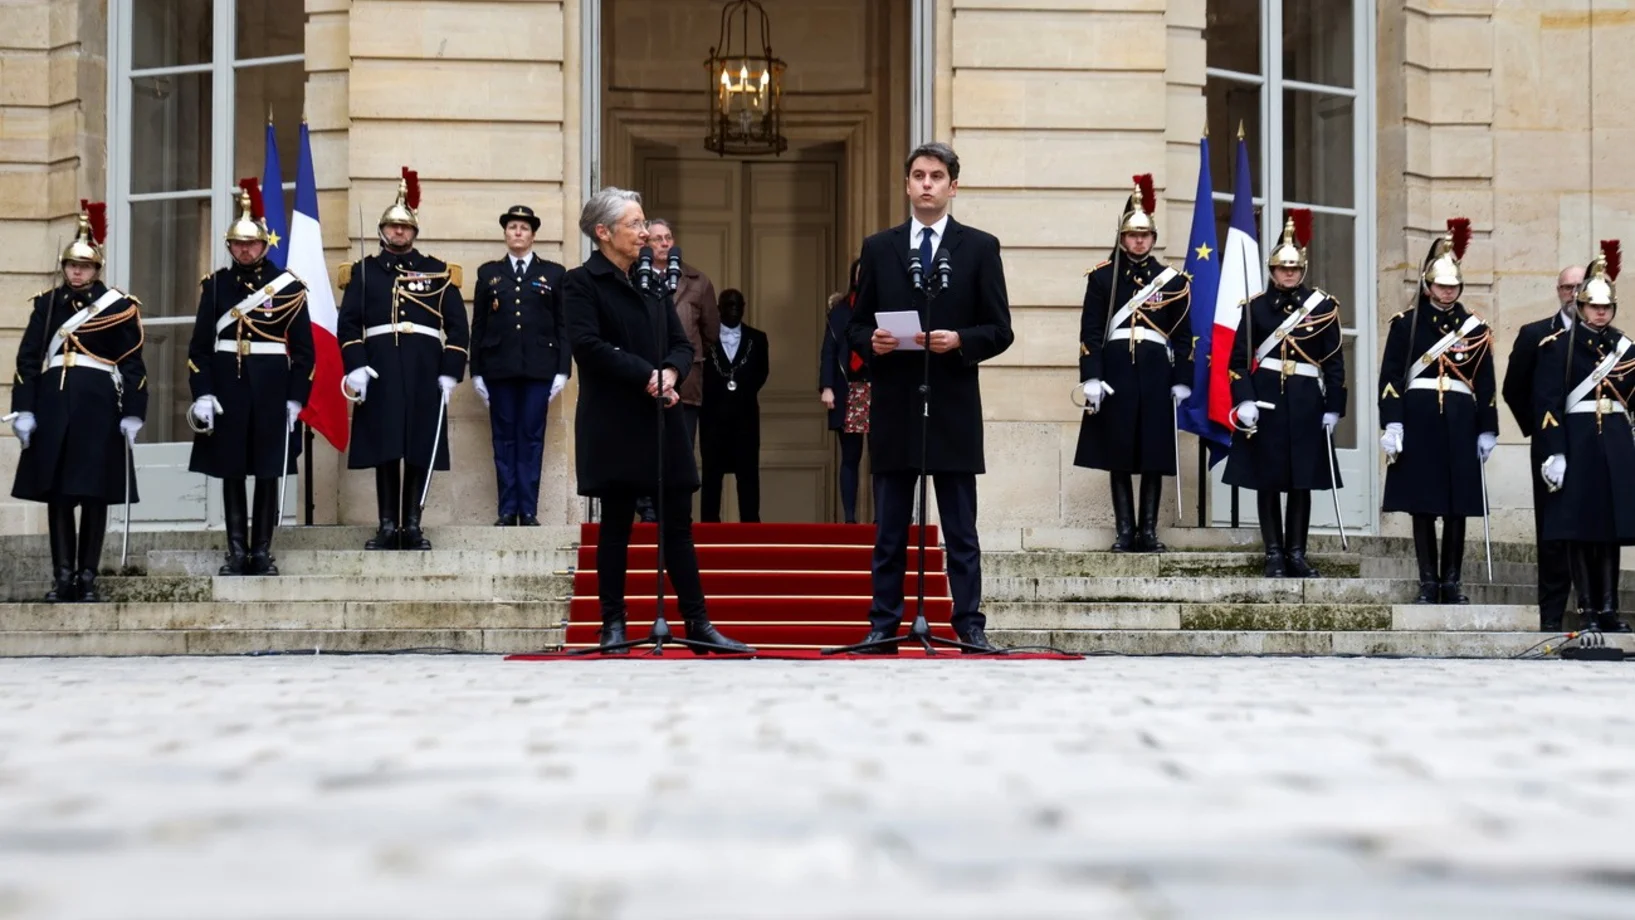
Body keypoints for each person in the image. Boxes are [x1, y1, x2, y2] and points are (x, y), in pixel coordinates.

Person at [562, 186, 749, 654]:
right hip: (614, 418)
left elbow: (683, 344)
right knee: (617, 524)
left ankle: (699, 625)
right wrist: (644, 373)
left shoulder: (652, 283)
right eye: (636, 224)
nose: (645, 232)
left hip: (662, 417)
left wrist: (670, 371)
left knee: (677, 526)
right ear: (603, 232)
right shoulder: (581, 282)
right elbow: (586, 346)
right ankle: (614, 625)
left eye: (645, 224)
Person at [846, 142, 1014, 653]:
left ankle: (969, 623)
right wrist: (869, 343)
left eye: (936, 176)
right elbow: (853, 324)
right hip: (897, 401)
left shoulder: (980, 247)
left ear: (952, 186)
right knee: (891, 527)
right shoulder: (880, 248)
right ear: (906, 184)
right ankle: (883, 624)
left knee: (961, 528)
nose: (926, 184)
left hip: (954, 404)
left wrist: (961, 340)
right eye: (917, 175)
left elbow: (1000, 329)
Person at [9, 200, 147, 602]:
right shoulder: (46, 304)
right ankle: (63, 576)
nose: (76, 271)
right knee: (59, 495)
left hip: (98, 407)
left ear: (96, 269)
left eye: (83, 266)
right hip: (54, 407)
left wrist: (133, 413)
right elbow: (29, 359)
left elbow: (133, 363)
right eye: (71, 265)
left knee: (94, 494)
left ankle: (87, 577)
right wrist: (25, 407)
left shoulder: (118, 307)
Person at [185, 179, 314, 576]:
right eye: (238, 244)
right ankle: (236, 550)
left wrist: (296, 398)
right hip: (228, 386)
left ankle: (262, 550)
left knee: (267, 470)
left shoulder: (287, 286)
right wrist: (203, 392)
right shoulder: (217, 286)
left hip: (272, 386)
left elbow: (305, 350)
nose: (245, 250)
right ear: (230, 246)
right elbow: (199, 349)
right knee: (231, 469)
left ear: (264, 245)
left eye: (252, 244)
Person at [337, 167, 469, 551]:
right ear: (382, 231)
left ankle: (411, 525)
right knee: (386, 447)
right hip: (380, 370)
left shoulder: (437, 272)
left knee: (417, 446)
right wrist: (356, 367)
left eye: (405, 228)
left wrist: (449, 372)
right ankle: (386, 525)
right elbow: (348, 326)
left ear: (414, 232)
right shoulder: (363, 272)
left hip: (424, 370)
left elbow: (458, 329)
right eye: (392, 227)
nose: (398, 233)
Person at [1378, 217, 1497, 604]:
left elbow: (1486, 382)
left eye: (1453, 287)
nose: (1447, 293)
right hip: (1421, 417)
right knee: (1423, 505)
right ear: (1428, 286)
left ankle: (1452, 580)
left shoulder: (1474, 329)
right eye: (1441, 286)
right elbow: (1392, 377)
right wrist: (1392, 422)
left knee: (1457, 507)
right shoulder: (1407, 325)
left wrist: (1487, 427)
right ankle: (1429, 581)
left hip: (1461, 420)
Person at [1222, 210, 1346, 577]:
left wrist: (1334, 407)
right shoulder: (1256, 307)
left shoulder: (1322, 308)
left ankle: (1297, 553)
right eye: (1281, 268)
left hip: (1307, 399)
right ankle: (1274, 553)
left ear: (1302, 270)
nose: (1288, 274)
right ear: (1272, 270)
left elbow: (1335, 361)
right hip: (1266, 401)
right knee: (1268, 480)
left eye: (1293, 268)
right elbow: (1238, 359)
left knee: (1301, 482)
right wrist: (1243, 398)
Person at [1073, 174, 1193, 553]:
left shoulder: (1171, 281)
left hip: (1157, 371)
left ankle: (1149, 531)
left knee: (1154, 454)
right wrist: (1092, 377)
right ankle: (1125, 531)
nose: (1138, 241)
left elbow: (1185, 335)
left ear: (1153, 239)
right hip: (1117, 371)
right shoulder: (1102, 278)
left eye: (1144, 235)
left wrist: (1182, 378)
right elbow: (1090, 332)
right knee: (1118, 452)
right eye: (1132, 235)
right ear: (1122, 237)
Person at [1533, 242, 1633, 633]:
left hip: (1615, 443)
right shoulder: (1558, 347)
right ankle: (1588, 608)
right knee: (1578, 530)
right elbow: (1547, 405)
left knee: (1610, 532)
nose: (1600, 313)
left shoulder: (1626, 350)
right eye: (1594, 307)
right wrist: (1554, 452)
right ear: (1581, 306)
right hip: (1577, 442)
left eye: (1606, 307)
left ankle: (1609, 607)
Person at [471, 204, 570, 527]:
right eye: (512, 227)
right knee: (504, 439)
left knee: (530, 438)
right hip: (499, 368)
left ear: (533, 235)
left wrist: (562, 370)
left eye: (524, 228)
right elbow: (480, 324)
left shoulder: (554, 273)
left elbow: (562, 324)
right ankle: (506, 508)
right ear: (505, 233)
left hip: (539, 369)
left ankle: (528, 509)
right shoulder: (489, 273)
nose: (518, 232)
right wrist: (476, 372)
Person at [1501, 264, 1583, 631]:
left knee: (1594, 530)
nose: (1575, 294)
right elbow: (1514, 387)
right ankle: (1551, 615)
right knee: (1552, 533)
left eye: (1582, 287)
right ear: (1558, 290)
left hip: (1590, 447)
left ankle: (1595, 608)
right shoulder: (1535, 334)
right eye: (1568, 287)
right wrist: (1540, 431)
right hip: (1551, 447)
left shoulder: (1611, 338)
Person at [638, 218, 719, 524]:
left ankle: (676, 508)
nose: (664, 243)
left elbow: (711, 331)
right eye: (657, 238)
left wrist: (685, 359)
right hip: (644, 377)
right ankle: (646, 507)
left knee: (680, 445)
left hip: (686, 381)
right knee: (646, 443)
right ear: (646, 244)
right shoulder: (634, 278)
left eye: (668, 238)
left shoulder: (698, 281)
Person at [700, 288, 769, 522]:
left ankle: (750, 524)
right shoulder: (706, 338)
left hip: (746, 415)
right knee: (711, 473)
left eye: (737, 306)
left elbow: (762, 373)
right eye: (728, 306)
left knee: (748, 473)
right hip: (712, 415)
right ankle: (709, 525)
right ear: (718, 309)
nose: (733, 310)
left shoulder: (758, 339)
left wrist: (742, 392)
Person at [821, 260, 870, 524]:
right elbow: (828, 351)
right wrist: (827, 387)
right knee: (850, 457)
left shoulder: (884, 305)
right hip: (848, 389)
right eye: (859, 271)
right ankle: (849, 518)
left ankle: (882, 519)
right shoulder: (840, 310)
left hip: (878, 388)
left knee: (881, 460)